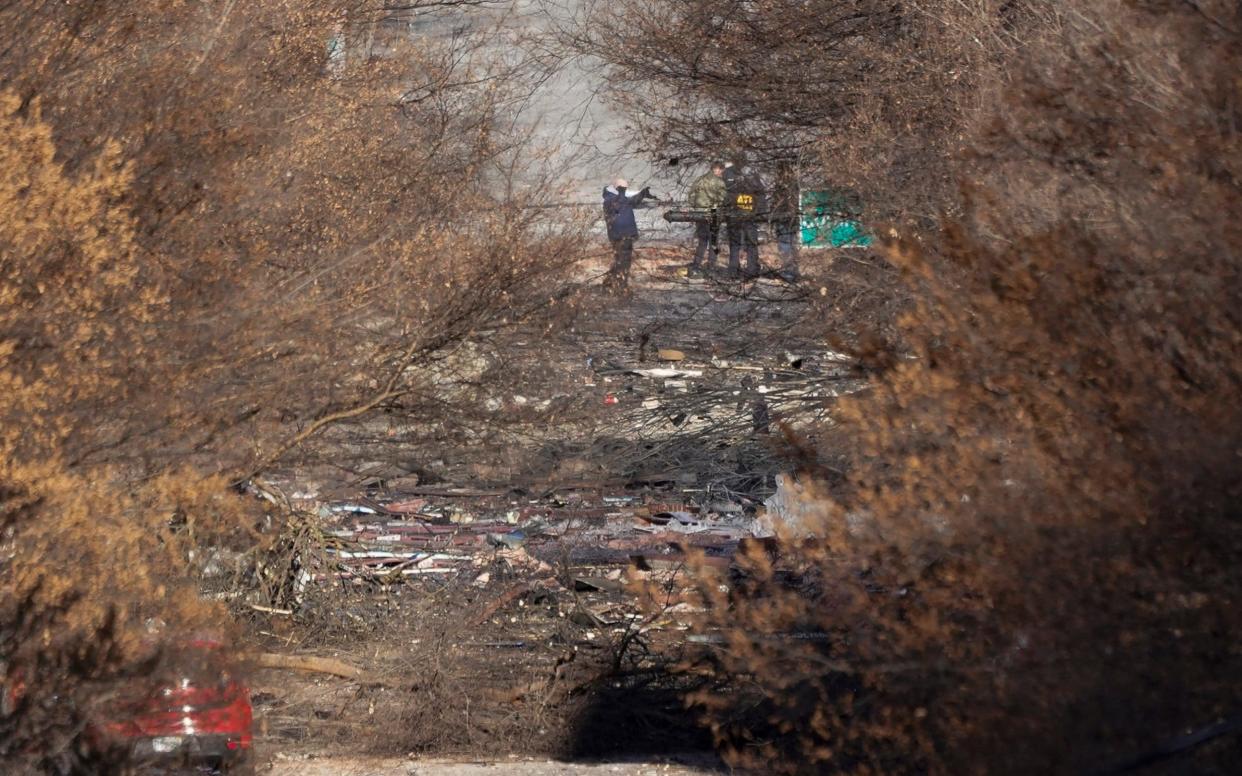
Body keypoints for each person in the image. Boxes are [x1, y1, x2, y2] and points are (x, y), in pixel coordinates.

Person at [601, 178, 657, 290]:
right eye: (623, 189)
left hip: (623, 235)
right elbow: (623, 203)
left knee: (620, 259)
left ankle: (611, 282)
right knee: (623, 261)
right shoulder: (611, 200)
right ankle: (620, 285)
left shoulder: (618, 199)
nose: (625, 191)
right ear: (618, 189)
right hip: (621, 235)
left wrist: (642, 194)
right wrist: (636, 194)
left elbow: (632, 201)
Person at [723, 154, 766, 279]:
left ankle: (747, 271)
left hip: (746, 215)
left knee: (745, 244)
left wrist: (760, 212)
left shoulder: (749, 173)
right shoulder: (732, 173)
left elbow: (760, 194)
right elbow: (722, 194)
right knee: (740, 243)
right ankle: (736, 271)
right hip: (738, 215)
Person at [686, 162, 726, 275]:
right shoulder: (719, 182)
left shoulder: (699, 179)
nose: (722, 172)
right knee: (713, 241)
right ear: (717, 169)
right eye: (721, 170)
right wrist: (717, 208)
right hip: (712, 212)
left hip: (699, 213)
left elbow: (691, 195)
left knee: (702, 241)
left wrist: (696, 207)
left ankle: (696, 264)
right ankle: (711, 265)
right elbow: (722, 198)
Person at [770, 162, 801, 281]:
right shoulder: (795, 186)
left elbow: (776, 205)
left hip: (784, 220)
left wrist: (773, 218)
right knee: (791, 246)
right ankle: (793, 272)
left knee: (785, 247)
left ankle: (789, 274)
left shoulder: (781, 188)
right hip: (791, 220)